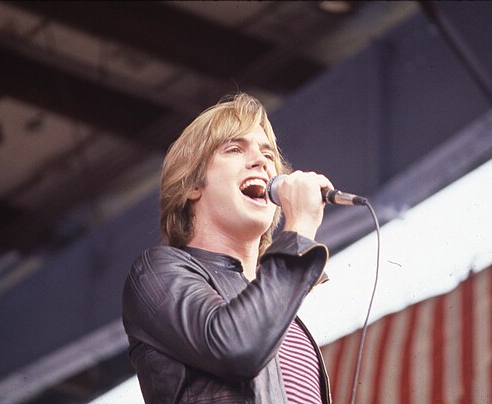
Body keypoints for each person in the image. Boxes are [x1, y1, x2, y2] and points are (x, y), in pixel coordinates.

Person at [122, 93, 334, 403]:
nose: (261, 161)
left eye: (268, 153)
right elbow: (235, 346)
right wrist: (300, 227)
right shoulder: (155, 271)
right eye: (234, 149)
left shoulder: (281, 309)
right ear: (192, 184)